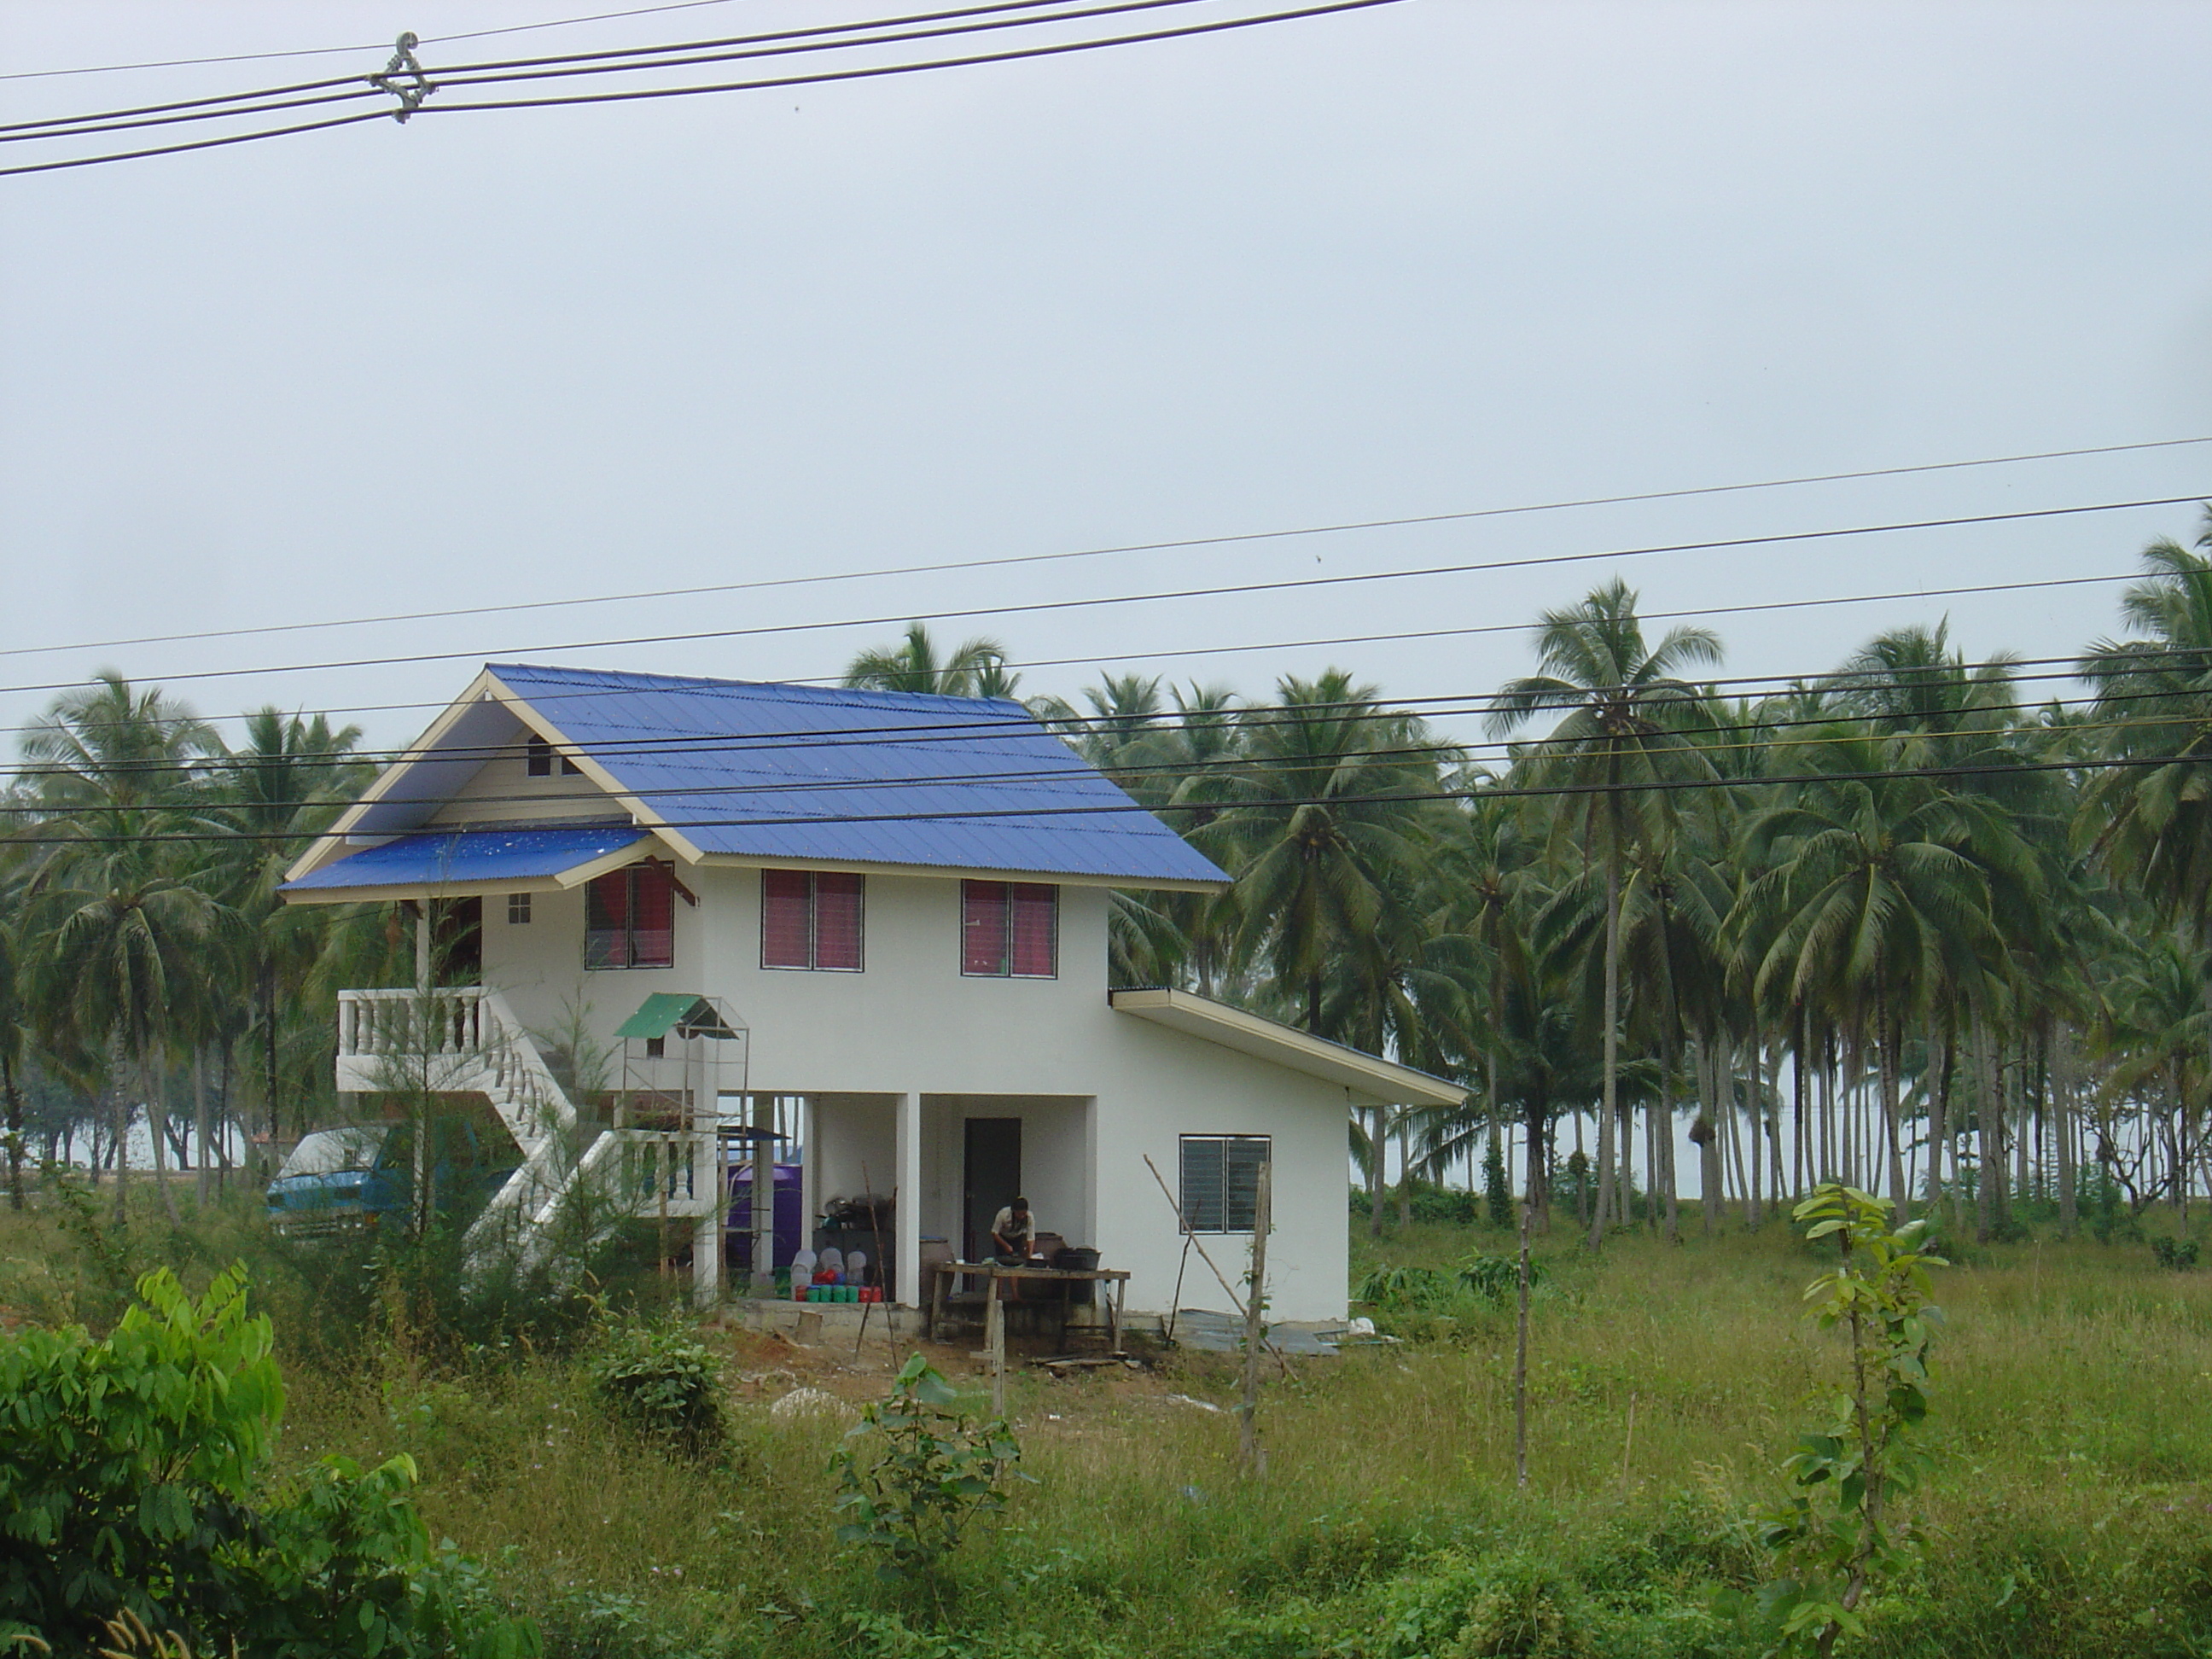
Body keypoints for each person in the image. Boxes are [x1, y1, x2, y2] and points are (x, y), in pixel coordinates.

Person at [990, 1196, 1036, 1263]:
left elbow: (1030, 1239)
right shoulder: (1003, 1214)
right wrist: (1006, 1246)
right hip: (1003, 1237)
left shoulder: (1029, 1217)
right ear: (1013, 1211)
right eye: (1019, 1214)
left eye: (1023, 1214)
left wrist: (1029, 1257)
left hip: (1017, 1237)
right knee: (1002, 1260)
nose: (1021, 1216)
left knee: (1017, 1260)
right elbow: (994, 1233)